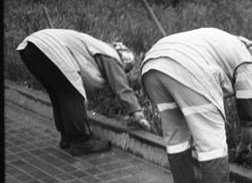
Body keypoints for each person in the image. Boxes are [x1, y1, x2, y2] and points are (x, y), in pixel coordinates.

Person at [140, 27, 252, 183]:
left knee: (175, 135)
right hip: (189, 66)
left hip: (152, 65)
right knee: (210, 136)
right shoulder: (247, 59)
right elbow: (248, 111)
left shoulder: (221, 41)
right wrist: (245, 145)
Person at [16, 28, 151, 156]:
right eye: (123, 71)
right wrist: (137, 113)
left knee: (60, 94)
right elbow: (121, 87)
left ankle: (67, 138)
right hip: (48, 48)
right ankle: (81, 141)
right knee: (73, 95)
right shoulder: (112, 56)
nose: (122, 73)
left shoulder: (95, 47)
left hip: (30, 47)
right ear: (123, 62)